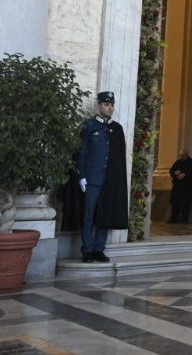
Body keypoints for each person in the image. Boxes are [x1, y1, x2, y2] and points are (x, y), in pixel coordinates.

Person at [77, 91, 129, 263]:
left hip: (109, 180)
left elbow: (120, 158)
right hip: (92, 179)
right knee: (88, 215)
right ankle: (87, 249)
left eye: (112, 105)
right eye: (106, 104)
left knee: (105, 215)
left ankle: (99, 248)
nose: (110, 108)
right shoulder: (89, 126)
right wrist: (82, 176)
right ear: (99, 105)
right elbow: (81, 152)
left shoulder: (117, 129)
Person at [169, 149, 192, 223]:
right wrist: (175, 173)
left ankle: (184, 220)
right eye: (180, 156)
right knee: (175, 203)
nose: (181, 157)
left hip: (187, 187)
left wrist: (184, 174)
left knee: (186, 204)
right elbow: (171, 171)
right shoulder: (177, 162)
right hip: (177, 186)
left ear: (186, 155)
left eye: (182, 156)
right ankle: (173, 219)